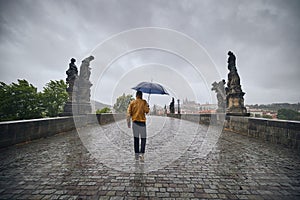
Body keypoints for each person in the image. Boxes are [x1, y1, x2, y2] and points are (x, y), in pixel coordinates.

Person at [127, 91, 150, 162]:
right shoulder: (144, 102)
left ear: (136, 95)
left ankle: (136, 155)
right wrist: (147, 106)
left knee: (136, 139)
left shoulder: (132, 103)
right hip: (142, 123)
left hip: (135, 123)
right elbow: (147, 111)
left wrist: (128, 123)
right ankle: (141, 153)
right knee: (143, 139)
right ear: (141, 95)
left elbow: (128, 114)